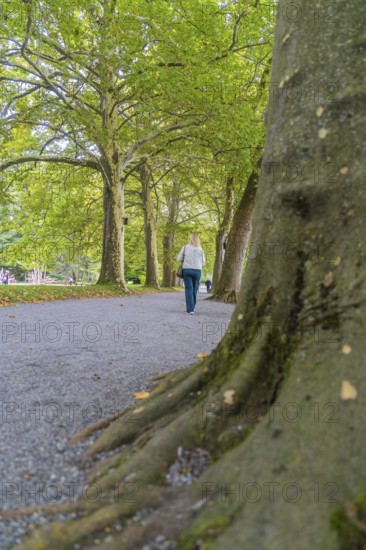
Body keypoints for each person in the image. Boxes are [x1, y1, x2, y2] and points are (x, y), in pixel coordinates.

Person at [177, 233, 205, 314]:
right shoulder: (200, 249)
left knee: (189, 289)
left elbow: (179, 258)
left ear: (190, 239)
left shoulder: (185, 247)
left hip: (187, 270)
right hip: (197, 271)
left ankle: (190, 309)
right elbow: (203, 263)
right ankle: (192, 306)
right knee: (195, 289)